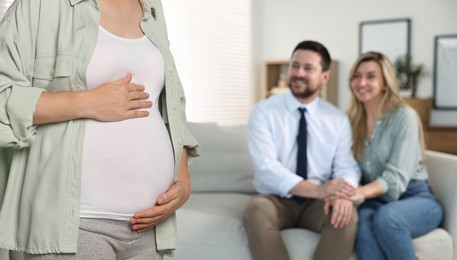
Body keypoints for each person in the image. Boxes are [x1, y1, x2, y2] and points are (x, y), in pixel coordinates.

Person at [0, 0, 200, 259]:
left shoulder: (151, 6)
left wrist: (182, 182)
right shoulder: (39, 5)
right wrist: (86, 103)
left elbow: (170, 109)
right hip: (75, 226)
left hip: (150, 227)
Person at [244, 40, 361, 260]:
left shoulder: (337, 119)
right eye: (295, 66)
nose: (298, 73)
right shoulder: (264, 111)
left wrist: (343, 195)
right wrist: (318, 190)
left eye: (308, 68)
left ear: (325, 76)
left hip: (318, 204)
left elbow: (346, 166)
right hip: (276, 199)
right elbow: (266, 167)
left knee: (346, 214)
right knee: (256, 211)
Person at [347, 51, 443, 260]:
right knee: (363, 224)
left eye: (371, 76)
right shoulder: (351, 121)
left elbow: (396, 179)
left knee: (388, 218)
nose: (361, 82)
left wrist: (361, 192)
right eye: (357, 75)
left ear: (384, 83)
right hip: (376, 200)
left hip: (416, 198)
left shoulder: (404, 116)